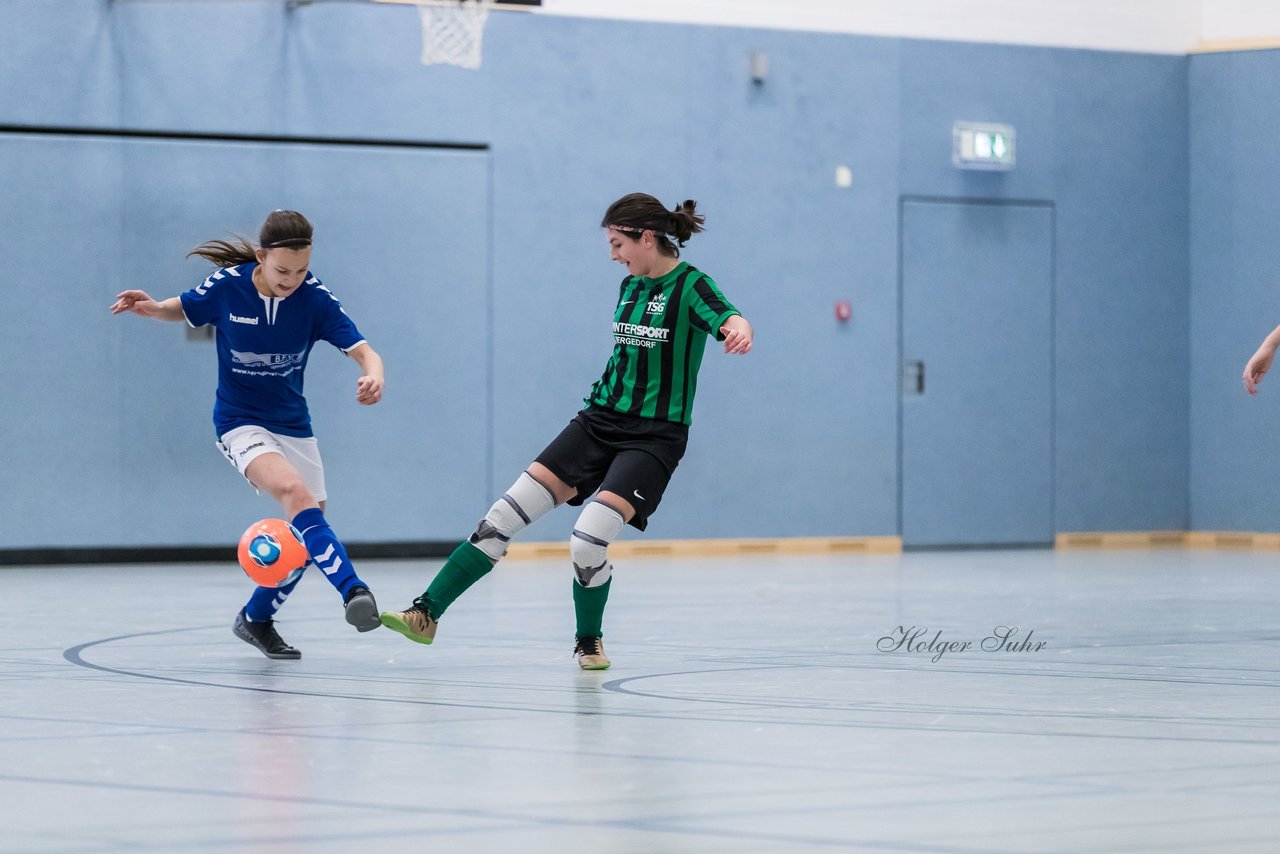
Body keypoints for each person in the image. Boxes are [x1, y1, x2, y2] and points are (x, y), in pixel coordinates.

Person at [380, 193, 752, 669]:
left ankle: (589, 640)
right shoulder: (629, 287)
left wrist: (739, 329)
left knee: (587, 540)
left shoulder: (691, 286)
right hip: (598, 422)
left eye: (619, 243)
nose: (614, 254)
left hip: (654, 437)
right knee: (499, 520)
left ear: (647, 237)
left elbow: (728, 315)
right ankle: (425, 614)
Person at [110, 210, 385, 660]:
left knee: (308, 534)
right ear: (261, 257)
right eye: (282, 270)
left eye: (301, 270)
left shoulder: (315, 300)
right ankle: (354, 591)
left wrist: (374, 376)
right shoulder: (227, 287)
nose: (292, 279)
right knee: (296, 495)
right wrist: (153, 306)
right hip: (239, 420)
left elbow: (364, 350)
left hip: (294, 425)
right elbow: (184, 307)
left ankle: (255, 619)